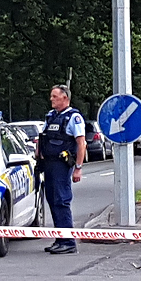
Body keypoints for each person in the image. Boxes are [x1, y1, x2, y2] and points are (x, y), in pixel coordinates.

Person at [37, 84, 86, 254]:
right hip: (49, 164)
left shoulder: (74, 118)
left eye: (55, 96)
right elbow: (42, 138)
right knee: (52, 200)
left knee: (61, 201)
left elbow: (81, 144)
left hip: (62, 164)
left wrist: (78, 168)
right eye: (51, 96)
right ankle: (60, 238)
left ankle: (68, 241)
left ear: (65, 98)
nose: (51, 99)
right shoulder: (51, 117)